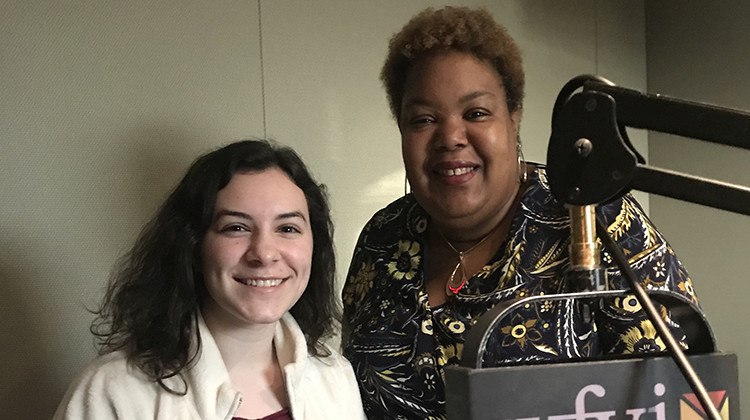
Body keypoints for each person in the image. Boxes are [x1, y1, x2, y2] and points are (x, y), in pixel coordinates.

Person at [341, 6, 698, 419]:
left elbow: (682, 396)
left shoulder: (597, 224)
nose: (450, 138)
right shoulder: (381, 240)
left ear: (514, 117)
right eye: (423, 119)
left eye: (475, 113)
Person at [54, 140, 366, 420]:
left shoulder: (336, 379)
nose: (264, 254)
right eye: (236, 228)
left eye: (288, 229)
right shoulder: (114, 392)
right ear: (192, 246)